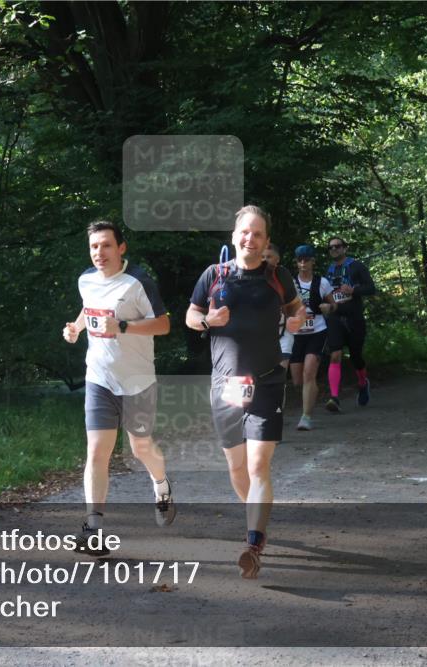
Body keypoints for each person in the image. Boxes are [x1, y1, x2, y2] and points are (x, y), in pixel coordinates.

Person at [185, 205, 306, 579]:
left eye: (257, 234)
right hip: (225, 387)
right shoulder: (214, 276)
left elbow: (297, 311)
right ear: (234, 236)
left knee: (258, 465)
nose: (250, 239)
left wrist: (296, 321)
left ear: (266, 241)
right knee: (236, 467)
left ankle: (254, 544)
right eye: (244, 232)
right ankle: (255, 517)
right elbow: (190, 318)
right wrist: (208, 320)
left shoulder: (278, 276)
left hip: (267, 381)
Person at [63, 221, 174, 556]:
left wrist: (123, 325)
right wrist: (76, 328)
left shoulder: (138, 282)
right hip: (99, 379)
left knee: (140, 448)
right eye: (94, 246)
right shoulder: (86, 279)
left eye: (107, 245)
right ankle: (93, 529)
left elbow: (164, 324)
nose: (100, 253)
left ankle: (161, 485)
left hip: (137, 381)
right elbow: (89, 307)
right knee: (97, 452)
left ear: (121, 248)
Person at [322, 237, 376, 412]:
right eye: (331, 247)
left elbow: (371, 288)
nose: (334, 249)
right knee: (335, 354)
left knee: (356, 357)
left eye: (337, 246)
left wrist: (354, 290)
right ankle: (335, 398)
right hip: (335, 317)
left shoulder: (357, 266)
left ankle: (362, 383)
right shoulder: (328, 270)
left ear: (345, 248)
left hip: (354, 318)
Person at [288, 244, 334, 431]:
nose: (303, 263)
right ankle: (312, 391)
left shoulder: (322, 282)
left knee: (309, 373)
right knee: (297, 379)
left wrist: (329, 308)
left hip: (317, 331)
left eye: (306, 259)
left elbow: (333, 305)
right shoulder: (290, 283)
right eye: (300, 260)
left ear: (313, 261)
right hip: (296, 335)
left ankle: (306, 417)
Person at [261, 243, 293, 371]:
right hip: (258, 335)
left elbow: (296, 306)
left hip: (283, 333)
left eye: (269, 256)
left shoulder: (284, 277)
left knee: (279, 376)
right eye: (262, 257)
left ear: (277, 259)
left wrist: (295, 317)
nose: (265, 260)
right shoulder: (249, 277)